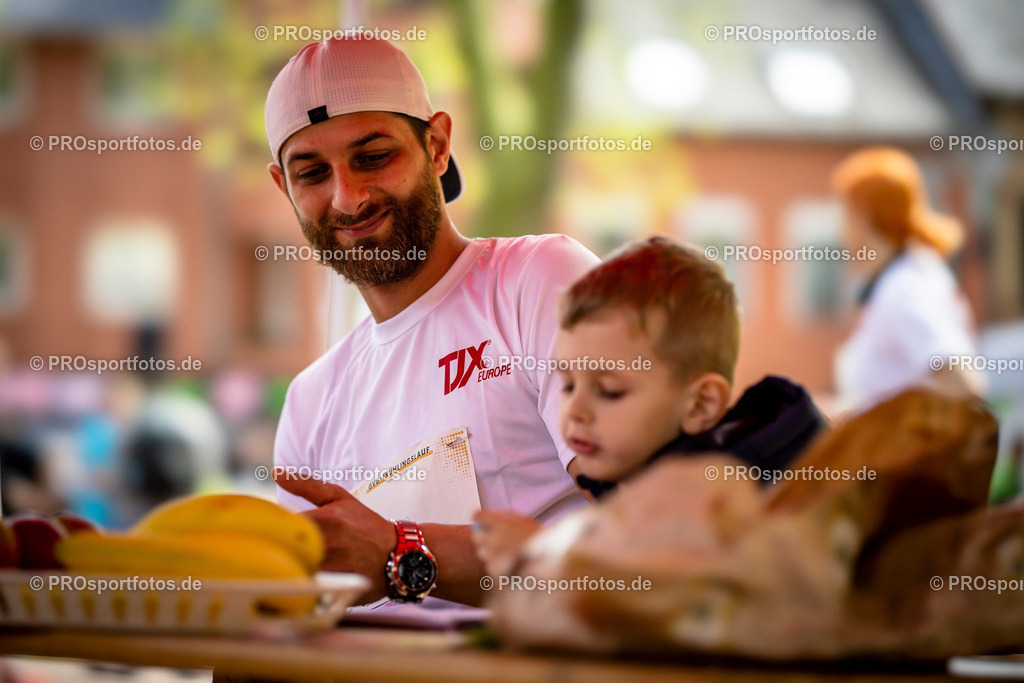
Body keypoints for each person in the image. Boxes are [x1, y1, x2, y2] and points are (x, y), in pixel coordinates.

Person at [264, 36, 600, 607]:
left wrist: (401, 551)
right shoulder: (310, 400)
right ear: (284, 189)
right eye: (312, 174)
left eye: (373, 157)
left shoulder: (537, 281)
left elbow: (649, 546)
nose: (348, 198)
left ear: (438, 145)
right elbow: (295, 607)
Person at [474, 236, 826, 571]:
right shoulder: (631, 479)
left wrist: (540, 558)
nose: (575, 411)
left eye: (609, 391)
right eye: (567, 386)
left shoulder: (714, 495)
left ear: (700, 405)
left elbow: (664, 601)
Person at [831, 147, 981, 412]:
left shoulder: (904, 288)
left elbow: (962, 383)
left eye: (844, 213)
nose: (839, 229)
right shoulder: (908, 275)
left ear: (863, 216)